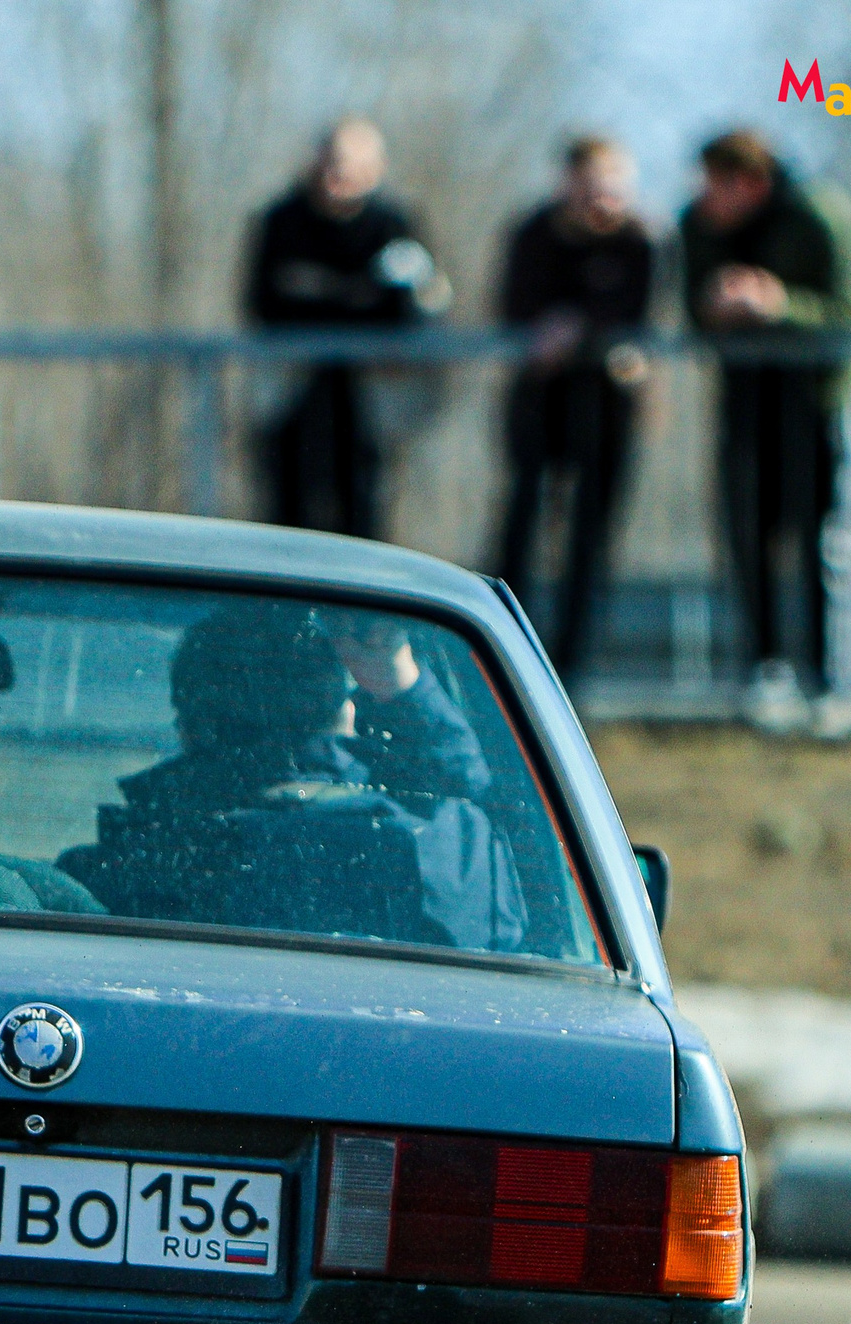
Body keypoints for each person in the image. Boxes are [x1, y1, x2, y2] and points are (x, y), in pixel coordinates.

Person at [59, 601, 522, 950]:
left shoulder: (119, 870)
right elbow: (503, 815)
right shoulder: (447, 847)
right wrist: (399, 684)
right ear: (344, 711)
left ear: (189, 727)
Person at [681, 128, 851, 740]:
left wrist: (778, 305)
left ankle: (836, 687)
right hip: (749, 402)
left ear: (754, 181)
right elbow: (693, 314)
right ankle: (767, 676)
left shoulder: (820, 212)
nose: (708, 198)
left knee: (830, 543)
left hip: (828, 398)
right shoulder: (698, 223)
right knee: (750, 537)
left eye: (721, 185)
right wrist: (714, 307)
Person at [494, 136, 656, 688]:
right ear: (567, 183)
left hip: (611, 407)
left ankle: (574, 670)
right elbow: (513, 307)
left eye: (613, 187)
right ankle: (506, 654)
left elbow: (644, 315)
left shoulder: (645, 241)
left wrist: (580, 327)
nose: (601, 200)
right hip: (539, 402)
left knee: (593, 535)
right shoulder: (533, 233)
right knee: (522, 523)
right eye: (589, 185)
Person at [241, 119, 452, 541]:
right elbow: (266, 305)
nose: (339, 173)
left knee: (364, 511)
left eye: (352, 163)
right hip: (293, 393)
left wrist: (322, 292)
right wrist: (358, 296)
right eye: (332, 161)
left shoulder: (395, 224)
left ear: (376, 168)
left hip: (370, 399)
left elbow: (412, 308)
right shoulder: (282, 221)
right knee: (288, 514)